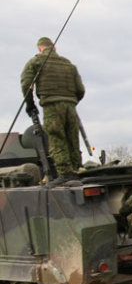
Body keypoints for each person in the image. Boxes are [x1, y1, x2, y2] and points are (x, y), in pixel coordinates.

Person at [20, 36, 85, 179]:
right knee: (72, 139)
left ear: (39, 48)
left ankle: (65, 173)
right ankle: (77, 169)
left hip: (52, 106)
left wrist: (30, 105)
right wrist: (70, 101)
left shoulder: (36, 62)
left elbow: (26, 84)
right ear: (54, 48)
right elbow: (80, 89)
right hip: (71, 106)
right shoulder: (69, 64)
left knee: (56, 138)